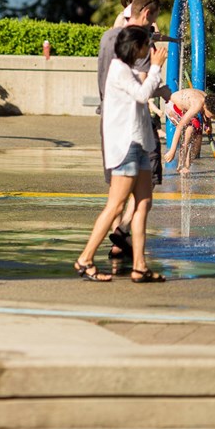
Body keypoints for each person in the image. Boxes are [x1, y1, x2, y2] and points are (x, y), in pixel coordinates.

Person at [76, 26, 168, 283]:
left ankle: (140, 266)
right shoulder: (118, 69)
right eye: (146, 45)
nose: (149, 50)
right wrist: (157, 67)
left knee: (143, 204)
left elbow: (146, 85)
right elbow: (141, 94)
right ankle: (85, 259)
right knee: (115, 205)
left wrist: (156, 79)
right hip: (126, 146)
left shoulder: (128, 70)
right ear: (135, 47)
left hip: (140, 144)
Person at [96, 0, 166, 267]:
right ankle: (108, 246)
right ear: (147, 14)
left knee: (117, 189)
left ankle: (124, 249)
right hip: (134, 125)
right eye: (154, 20)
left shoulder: (107, 37)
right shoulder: (137, 42)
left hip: (108, 120)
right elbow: (142, 85)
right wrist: (159, 71)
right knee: (142, 193)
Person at [164, 89, 215, 176]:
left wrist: (209, 125)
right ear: (206, 107)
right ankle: (181, 165)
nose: (213, 118)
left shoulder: (207, 99)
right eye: (212, 116)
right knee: (190, 129)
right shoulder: (197, 104)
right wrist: (172, 151)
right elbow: (179, 127)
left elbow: (206, 116)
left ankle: (187, 163)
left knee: (197, 131)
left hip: (184, 108)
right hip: (172, 106)